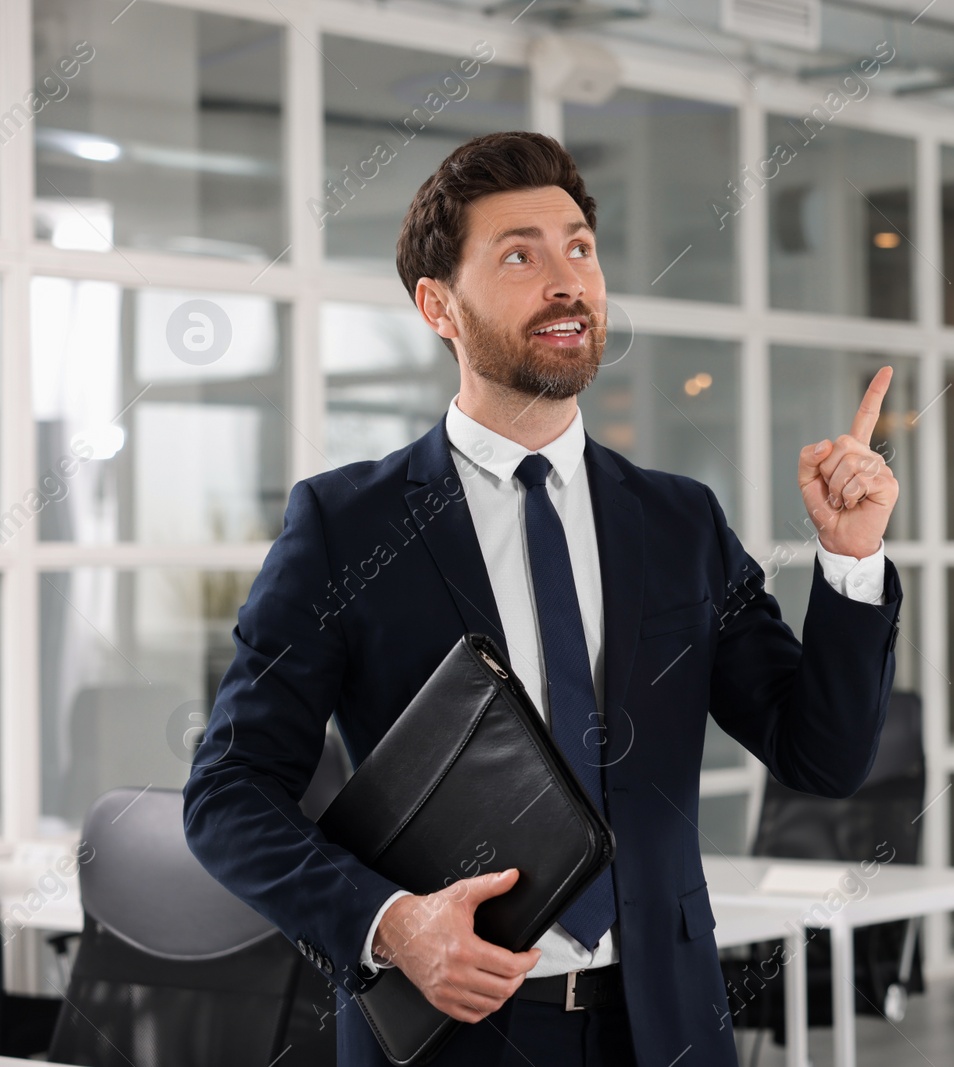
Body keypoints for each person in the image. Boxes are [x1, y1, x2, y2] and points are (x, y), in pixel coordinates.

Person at [181, 130, 903, 1067]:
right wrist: (390, 923)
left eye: (580, 248)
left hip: (666, 1022)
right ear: (438, 305)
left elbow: (824, 756)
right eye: (519, 254)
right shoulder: (345, 526)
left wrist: (852, 562)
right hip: (451, 1031)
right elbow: (229, 793)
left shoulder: (679, 521)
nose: (568, 279)